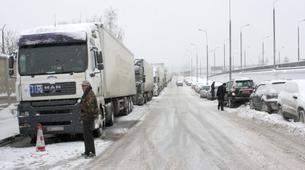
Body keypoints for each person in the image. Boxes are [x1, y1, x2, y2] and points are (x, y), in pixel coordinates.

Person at [80, 80, 98, 158]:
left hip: (89, 117)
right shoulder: (86, 93)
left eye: (83, 86)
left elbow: (90, 107)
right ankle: (87, 151)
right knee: (86, 135)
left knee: (89, 135)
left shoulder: (90, 94)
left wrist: (82, 105)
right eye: (82, 86)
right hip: (85, 117)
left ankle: (92, 152)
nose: (82, 87)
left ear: (87, 86)